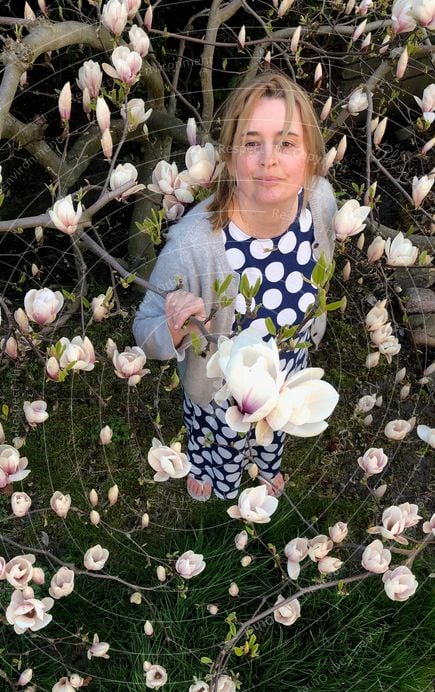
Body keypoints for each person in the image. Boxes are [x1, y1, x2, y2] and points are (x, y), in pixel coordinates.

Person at [133, 70, 337, 501]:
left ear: (310, 156)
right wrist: (173, 326)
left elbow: (325, 261)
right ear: (230, 153)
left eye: (286, 143)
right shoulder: (193, 245)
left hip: (288, 370)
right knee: (220, 439)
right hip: (218, 392)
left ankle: (267, 463)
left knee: (273, 427)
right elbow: (144, 330)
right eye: (252, 142)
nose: (269, 159)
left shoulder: (319, 201)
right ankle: (217, 476)